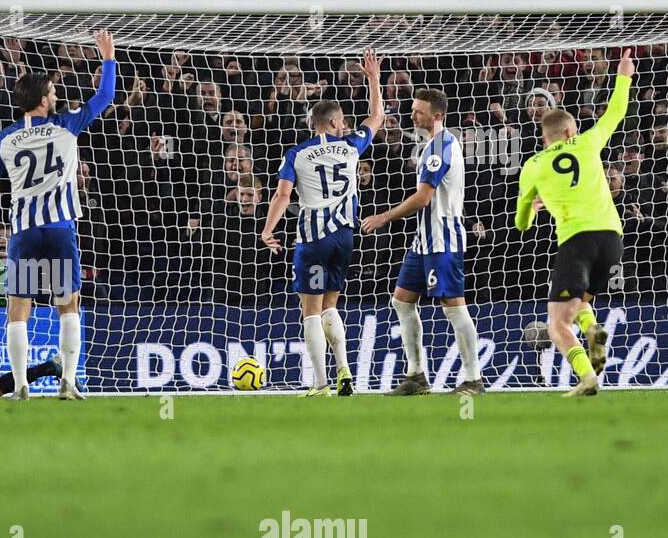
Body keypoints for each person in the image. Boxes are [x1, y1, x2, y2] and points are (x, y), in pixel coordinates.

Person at [0, 29, 117, 400]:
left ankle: (19, 387)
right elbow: (107, 96)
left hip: (24, 232)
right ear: (43, 100)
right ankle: (67, 382)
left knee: (19, 309)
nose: (56, 95)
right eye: (51, 92)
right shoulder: (67, 124)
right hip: (60, 229)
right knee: (68, 306)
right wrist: (108, 58)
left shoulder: (4, 139)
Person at [261, 49, 386, 397]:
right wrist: (373, 77)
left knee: (311, 311)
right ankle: (345, 369)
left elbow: (282, 197)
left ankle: (320, 384)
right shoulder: (350, 146)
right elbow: (377, 116)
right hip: (345, 236)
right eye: (342, 119)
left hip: (312, 238)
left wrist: (268, 230)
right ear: (331, 123)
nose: (345, 124)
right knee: (331, 304)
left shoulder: (296, 154)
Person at [514, 49, 634, 397]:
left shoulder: (533, 166)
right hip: (613, 240)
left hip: (576, 241)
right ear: (570, 130)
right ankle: (594, 327)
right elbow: (615, 112)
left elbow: (521, 224)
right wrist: (623, 74)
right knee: (580, 302)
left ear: (546, 137)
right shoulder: (588, 142)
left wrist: (533, 210)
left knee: (556, 323)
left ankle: (586, 376)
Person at [361, 87, 485, 396]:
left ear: (437, 115)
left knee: (453, 307)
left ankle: (473, 378)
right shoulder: (432, 145)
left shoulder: (440, 147)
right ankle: (416, 376)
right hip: (423, 241)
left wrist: (383, 218)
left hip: (442, 239)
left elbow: (422, 198)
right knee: (401, 301)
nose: (413, 114)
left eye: (419, 111)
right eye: (414, 108)